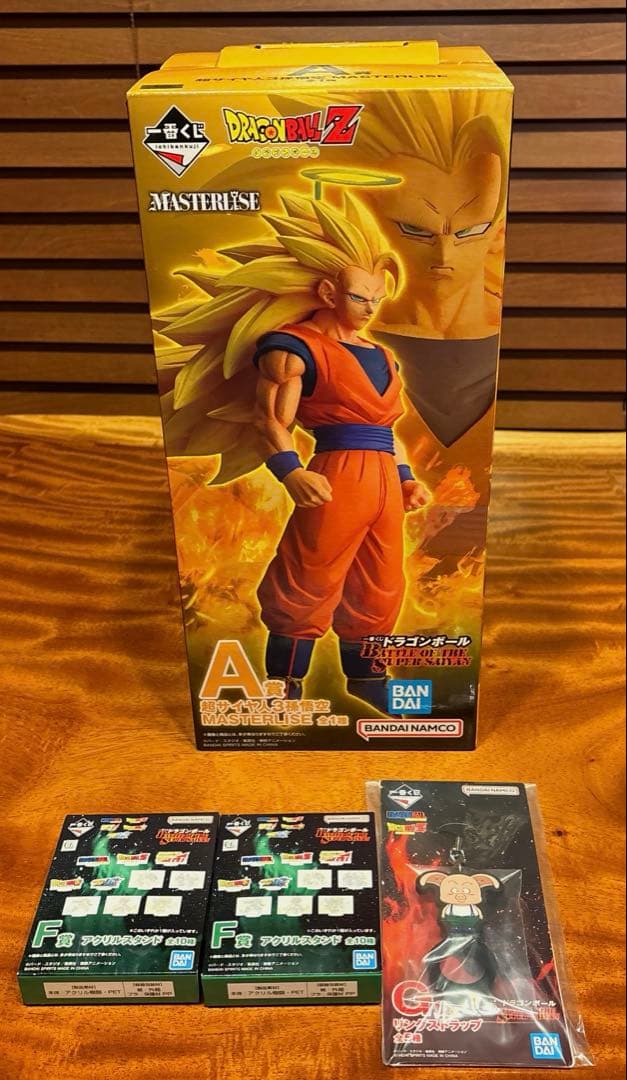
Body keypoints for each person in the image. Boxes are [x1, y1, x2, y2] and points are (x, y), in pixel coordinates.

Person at [158, 193, 428, 708]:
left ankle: (367, 679)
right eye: (359, 298)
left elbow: (386, 428)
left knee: (381, 582)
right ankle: (285, 682)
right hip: (336, 473)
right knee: (308, 575)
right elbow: (270, 421)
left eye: (376, 299)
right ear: (327, 292)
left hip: (383, 481)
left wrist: (407, 477)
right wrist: (291, 471)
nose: (370, 309)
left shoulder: (383, 355)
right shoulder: (293, 347)